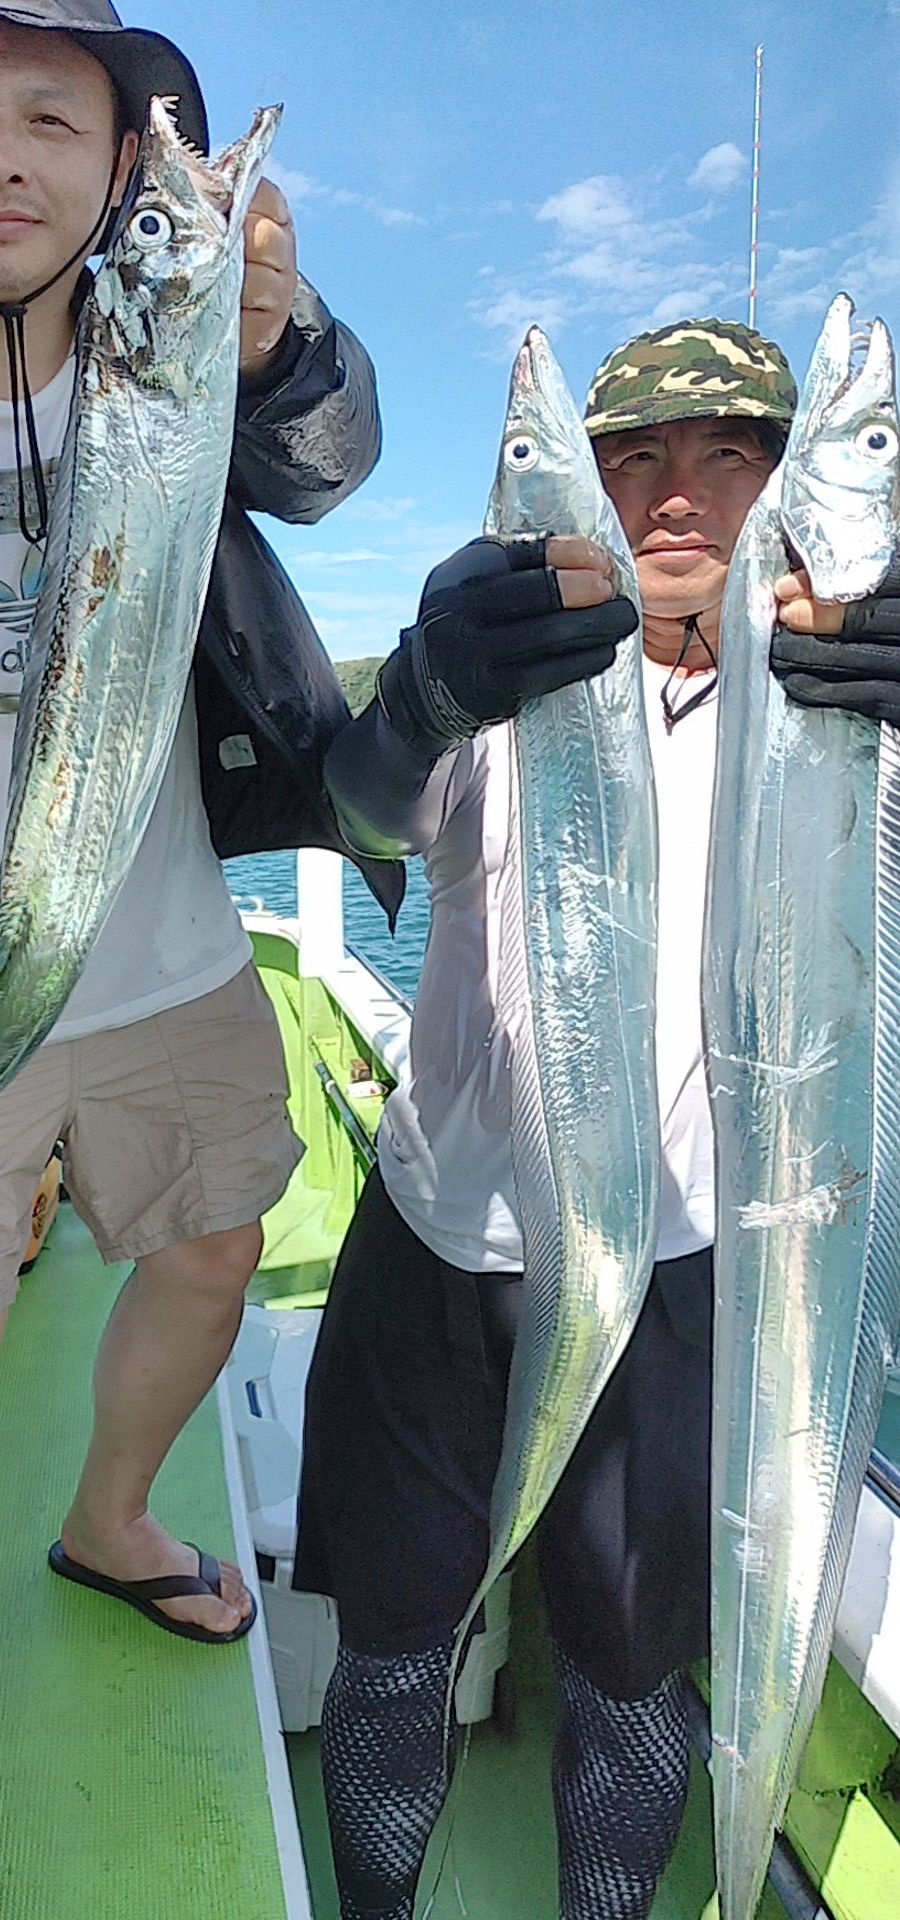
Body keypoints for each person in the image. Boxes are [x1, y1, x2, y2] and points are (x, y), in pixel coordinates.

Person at [0, 3, 398, 1914]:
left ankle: (110, 1516)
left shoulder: (188, 353)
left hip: (167, 956)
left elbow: (326, 462)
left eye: (52, 120)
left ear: (119, 170)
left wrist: (282, 342)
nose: (2, 158)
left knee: (219, 1245)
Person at [294, 317, 900, 1920]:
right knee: (393, 1653)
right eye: (632, 460)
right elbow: (359, 807)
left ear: (788, 496)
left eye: (731, 455)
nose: (677, 495)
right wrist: (422, 695)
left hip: (678, 1276)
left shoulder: (849, 720)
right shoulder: (511, 671)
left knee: (631, 1680)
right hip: (437, 1255)